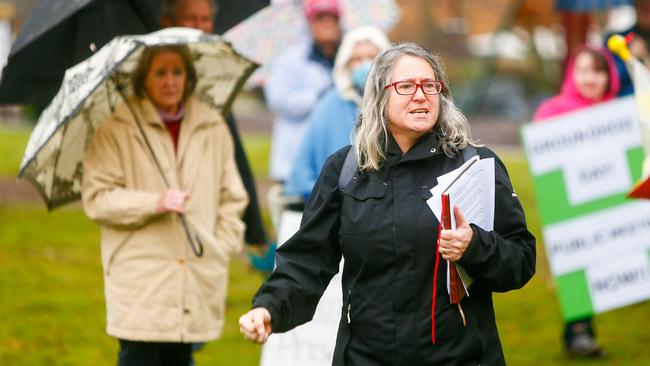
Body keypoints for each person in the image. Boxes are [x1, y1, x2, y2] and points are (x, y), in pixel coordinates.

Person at [239, 42, 536, 365]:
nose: (421, 95)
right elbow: (307, 260)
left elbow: (520, 260)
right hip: (366, 355)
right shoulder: (346, 170)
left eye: (430, 85)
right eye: (406, 86)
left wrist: (475, 245)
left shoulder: (474, 166)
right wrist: (269, 306)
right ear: (380, 97)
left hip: (458, 355)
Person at [82, 45, 248, 366]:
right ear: (143, 79)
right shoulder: (117, 127)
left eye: (177, 72)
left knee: (180, 357)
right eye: (160, 72)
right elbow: (97, 199)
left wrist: (221, 244)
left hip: (197, 268)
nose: (170, 81)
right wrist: (153, 202)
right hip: (139, 277)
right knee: (138, 357)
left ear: (189, 77)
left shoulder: (212, 124)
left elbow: (233, 196)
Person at [534, 45, 620, 358]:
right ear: (573, 73)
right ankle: (579, 333)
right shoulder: (552, 111)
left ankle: (580, 332)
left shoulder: (618, 115)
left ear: (608, 76)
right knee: (577, 270)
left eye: (597, 71)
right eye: (583, 70)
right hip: (568, 206)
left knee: (600, 269)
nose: (590, 78)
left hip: (608, 205)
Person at [161, 0, 268, 246]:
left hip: (205, 215)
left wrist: (248, 230)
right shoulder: (149, 77)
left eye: (205, 19)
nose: (199, 27)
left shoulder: (213, 76)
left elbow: (234, 156)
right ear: (168, 22)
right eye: (190, 18)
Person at [284, 25, 389, 199]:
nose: (365, 65)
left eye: (372, 57)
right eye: (357, 59)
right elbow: (301, 174)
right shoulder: (328, 105)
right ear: (345, 64)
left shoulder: (396, 103)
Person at [264, 0, 343, 227]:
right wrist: (318, 97)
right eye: (320, 17)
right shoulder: (290, 59)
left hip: (334, 163)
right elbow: (277, 98)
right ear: (309, 22)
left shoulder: (347, 58)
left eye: (332, 17)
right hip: (295, 165)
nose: (327, 23)